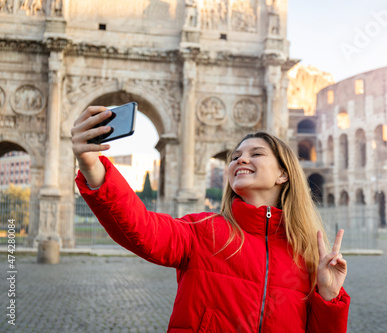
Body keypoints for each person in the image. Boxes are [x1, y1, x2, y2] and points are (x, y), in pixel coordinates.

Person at [72, 106, 350, 332]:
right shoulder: (200, 230)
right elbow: (141, 227)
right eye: (235, 156)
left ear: (283, 174)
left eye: (256, 154)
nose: (240, 160)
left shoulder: (306, 252)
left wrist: (328, 296)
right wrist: (92, 167)